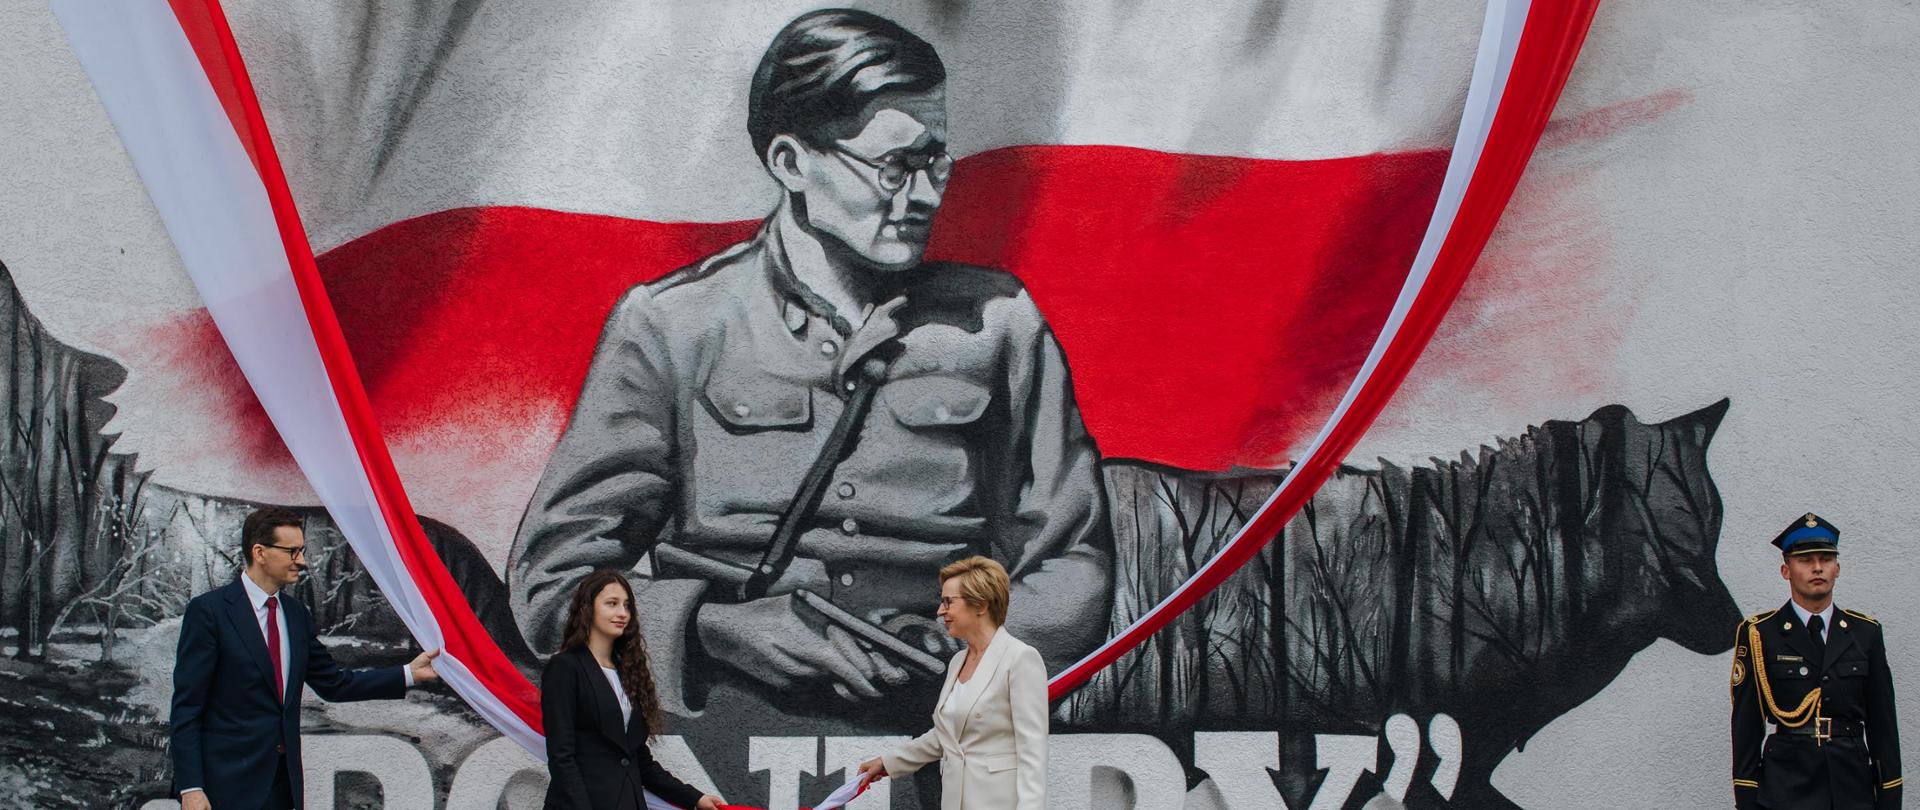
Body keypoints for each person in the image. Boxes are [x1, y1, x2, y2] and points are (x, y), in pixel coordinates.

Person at [507, 6, 1109, 738]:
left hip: (935, 731)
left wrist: (968, 643)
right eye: (894, 166)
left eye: (934, 162)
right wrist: (708, 629)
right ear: (790, 162)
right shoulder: (673, 326)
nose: (923, 195)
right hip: (718, 731)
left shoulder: (999, 323)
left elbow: (1073, 563)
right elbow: (550, 585)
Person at [170, 507, 441, 810]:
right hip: (225, 789)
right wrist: (191, 787)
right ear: (260, 553)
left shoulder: (296, 616)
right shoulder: (210, 612)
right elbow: (187, 707)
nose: (302, 561)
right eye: (292, 551)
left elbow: (334, 684)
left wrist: (408, 673)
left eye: (301, 551)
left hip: (283, 788)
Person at [1729, 513, 1902, 810]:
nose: (1817, 567)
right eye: (1806, 560)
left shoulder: (1865, 633)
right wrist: (1747, 800)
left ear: (1838, 568)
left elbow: (1883, 725)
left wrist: (1889, 796)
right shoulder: (1761, 633)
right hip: (1786, 789)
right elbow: (1746, 727)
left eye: (1826, 559)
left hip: (1852, 789)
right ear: (1786, 570)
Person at [855, 557, 1048, 810]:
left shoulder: (1020, 659)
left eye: (948, 602)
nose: (940, 611)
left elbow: (1032, 753)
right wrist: (889, 762)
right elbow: (945, 736)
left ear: (980, 605)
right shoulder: (958, 661)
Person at [542, 570, 725, 810]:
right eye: (612, 604)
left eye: (627, 606)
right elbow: (561, 757)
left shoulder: (628, 673)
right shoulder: (565, 667)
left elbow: (638, 760)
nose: (622, 613)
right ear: (587, 609)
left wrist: (694, 798)